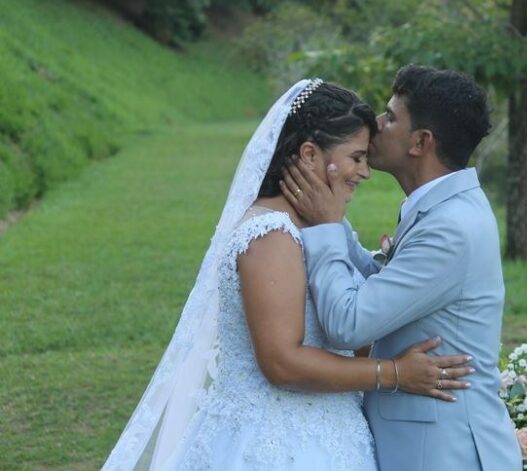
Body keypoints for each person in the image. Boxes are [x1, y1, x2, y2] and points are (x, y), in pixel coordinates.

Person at [101, 79, 474, 471]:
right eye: (356, 157)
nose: (365, 172)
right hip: (273, 444)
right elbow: (281, 363)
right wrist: (395, 373)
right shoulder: (272, 235)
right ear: (310, 154)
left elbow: (344, 333)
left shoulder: (322, 228)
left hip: (330, 434)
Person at [281, 66, 523, 471]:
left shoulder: (451, 228)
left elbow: (348, 323)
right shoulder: (446, 208)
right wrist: (330, 215)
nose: (375, 125)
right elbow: (386, 288)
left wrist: (324, 226)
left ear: (421, 142)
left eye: (390, 117)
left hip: (441, 451)